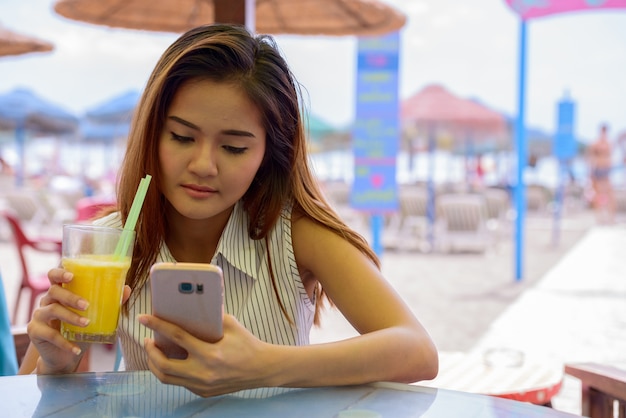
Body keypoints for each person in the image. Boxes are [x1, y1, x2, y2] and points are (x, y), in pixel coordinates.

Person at [19, 24, 438, 396]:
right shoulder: (110, 240)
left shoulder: (294, 233)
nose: (204, 165)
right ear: (152, 134)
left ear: (268, 154)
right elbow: (34, 392)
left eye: (234, 147)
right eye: (182, 137)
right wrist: (57, 363)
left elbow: (417, 351)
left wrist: (265, 367)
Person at [587, 123, 615, 223]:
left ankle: (610, 217)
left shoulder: (609, 143)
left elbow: (610, 158)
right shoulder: (595, 144)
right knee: (598, 195)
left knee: (609, 194)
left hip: (606, 170)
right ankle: (599, 218)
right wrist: (590, 173)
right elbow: (591, 158)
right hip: (598, 170)